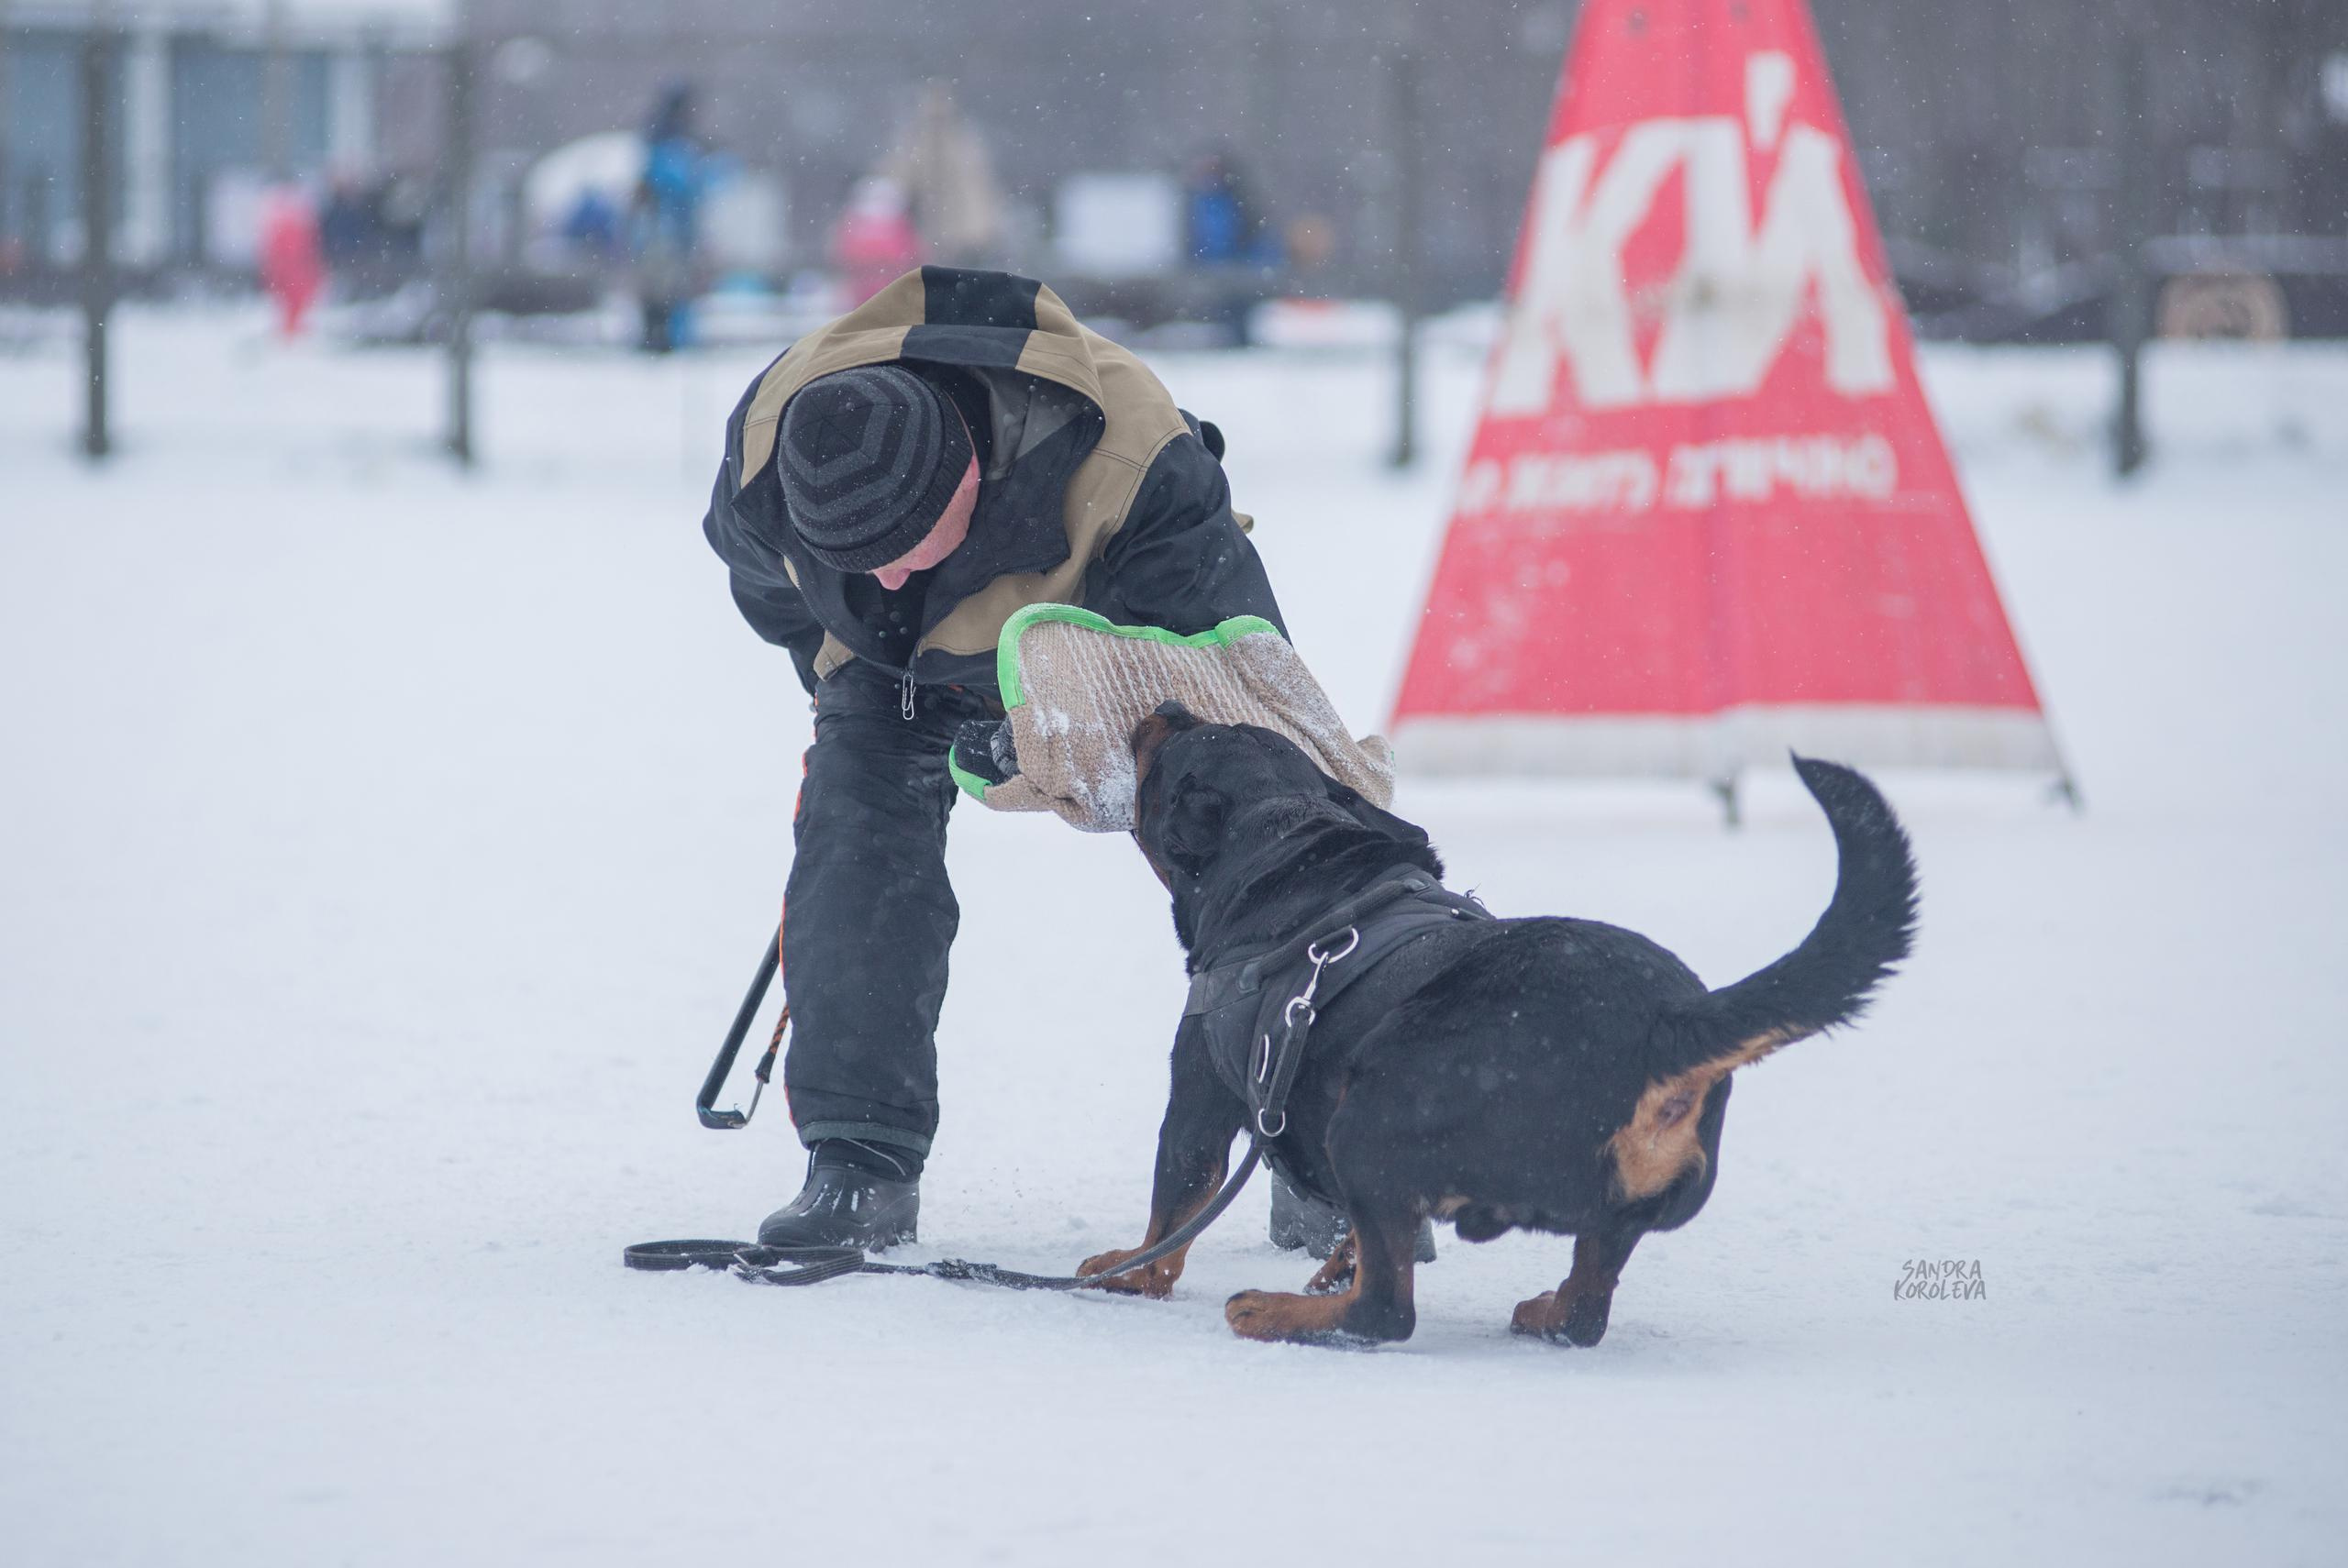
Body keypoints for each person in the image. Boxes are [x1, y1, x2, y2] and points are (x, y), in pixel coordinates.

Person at [701, 267, 1286, 1250]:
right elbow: (774, 595)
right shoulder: (767, 455)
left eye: (901, 544)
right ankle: (858, 1160)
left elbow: (1236, 693)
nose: (883, 572)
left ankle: (1307, 1141)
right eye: (858, 557)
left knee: (1260, 836)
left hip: (1115, 637)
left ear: (968, 472)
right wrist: (860, 678)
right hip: (885, 663)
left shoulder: (1137, 464)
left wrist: (1060, 735)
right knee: (854, 837)